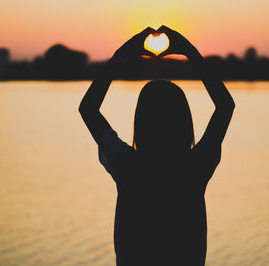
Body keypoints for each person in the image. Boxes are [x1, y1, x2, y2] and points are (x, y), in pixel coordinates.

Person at [79, 26, 235, 266]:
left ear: (141, 122)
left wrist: (123, 53)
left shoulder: (127, 165)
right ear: (184, 121)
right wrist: (189, 51)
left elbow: (88, 108)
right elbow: (225, 106)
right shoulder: (196, 166)